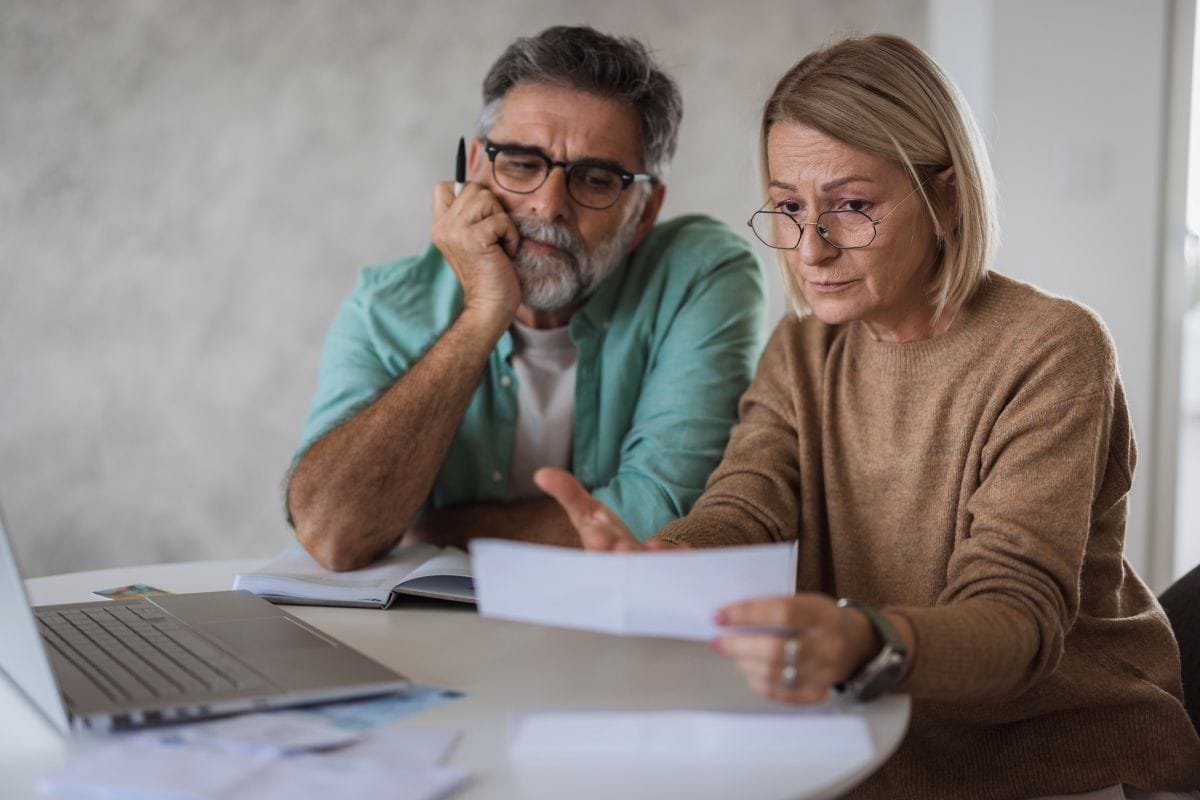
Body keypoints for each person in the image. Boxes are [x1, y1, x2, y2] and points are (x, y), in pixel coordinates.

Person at [536, 34, 1200, 799]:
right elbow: (749, 503)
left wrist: (867, 636)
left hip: (1050, 759)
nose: (810, 248)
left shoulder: (1052, 348)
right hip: (863, 748)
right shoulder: (803, 346)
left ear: (946, 196)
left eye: (852, 206)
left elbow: (1019, 622)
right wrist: (671, 559)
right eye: (788, 207)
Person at [286, 26, 765, 571]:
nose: (547, 205)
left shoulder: (700, 275)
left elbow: (661, 519)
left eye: (595, 178)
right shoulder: (385, 308)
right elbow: (333, 535)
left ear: (645, 213)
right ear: (474, 171)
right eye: (520, 163)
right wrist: (481, 317)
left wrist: (433, 528)